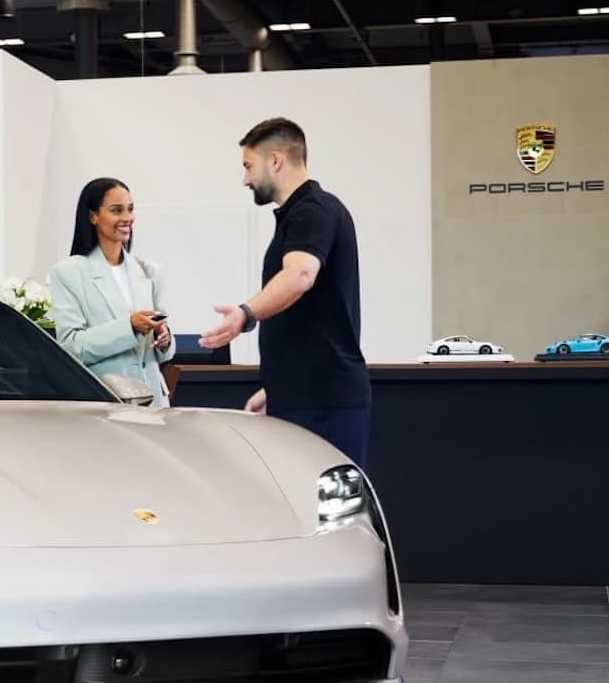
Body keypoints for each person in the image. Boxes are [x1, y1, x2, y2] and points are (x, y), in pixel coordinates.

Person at [199, 117, 372, 467]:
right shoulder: (299, 214)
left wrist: (245, 314)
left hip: (325, 402)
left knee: (328, 512)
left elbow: (300, 275)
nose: (246, 179)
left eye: (249, 166)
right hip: (303, 396)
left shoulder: (313, 211)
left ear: (275, 161)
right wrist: (277, 389)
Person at [48, 177, 175, 407]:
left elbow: (163, 354)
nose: (127, 218)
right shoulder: (69, 272)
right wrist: (130, 326)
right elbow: (71, 347)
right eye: (117, 210)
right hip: (106, 403)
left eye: (130, 209)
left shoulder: (149, 271)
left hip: (155, 403)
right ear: (93, 216)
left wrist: (164, 339)